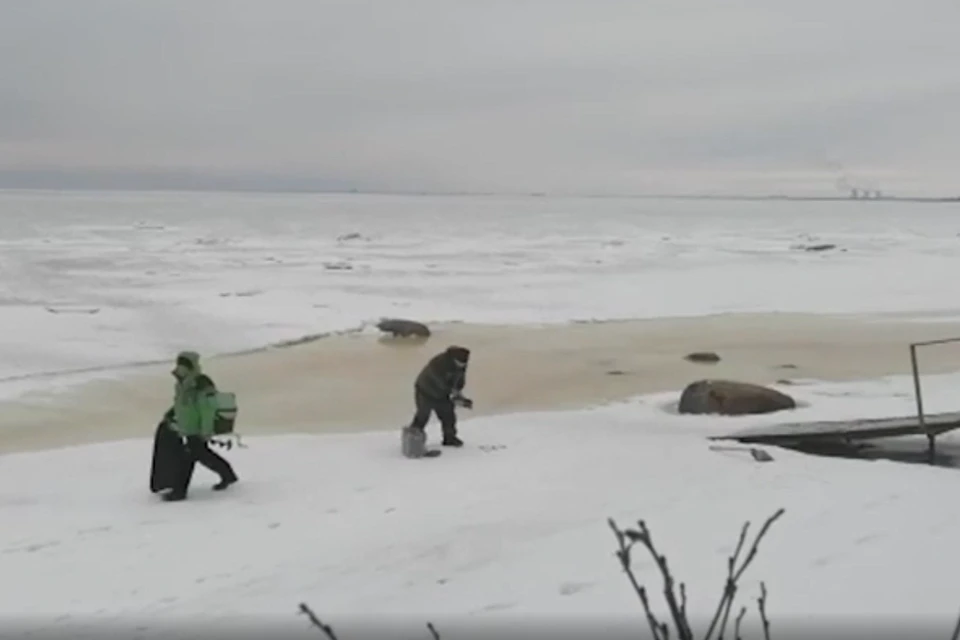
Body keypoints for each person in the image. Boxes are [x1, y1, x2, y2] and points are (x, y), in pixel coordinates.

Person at [163, 351, 238, 502]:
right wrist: (170, 415)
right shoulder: (181, 382)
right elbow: (179, 403)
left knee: (189, 457)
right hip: (187, 426)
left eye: (183, 364)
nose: (179, 367)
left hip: (197, 427)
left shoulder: (201, 383)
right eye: (179, 363)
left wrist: (206, 430)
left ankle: (179, 491)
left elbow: (207, 409)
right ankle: (228, 474)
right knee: (201, 454)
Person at [409, 345, 473, 447]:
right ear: (454, 359)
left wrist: (459, 393)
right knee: (422, 416)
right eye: (460, 363)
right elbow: (438, 381)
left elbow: (459, 379)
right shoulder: (439, 363)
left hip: (443, 394)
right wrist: (452, 392)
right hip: (425, 391)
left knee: (449, 416)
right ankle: (412, 441)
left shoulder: (461, 364)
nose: (462, 365)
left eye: (464, 363)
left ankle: (449, 438)